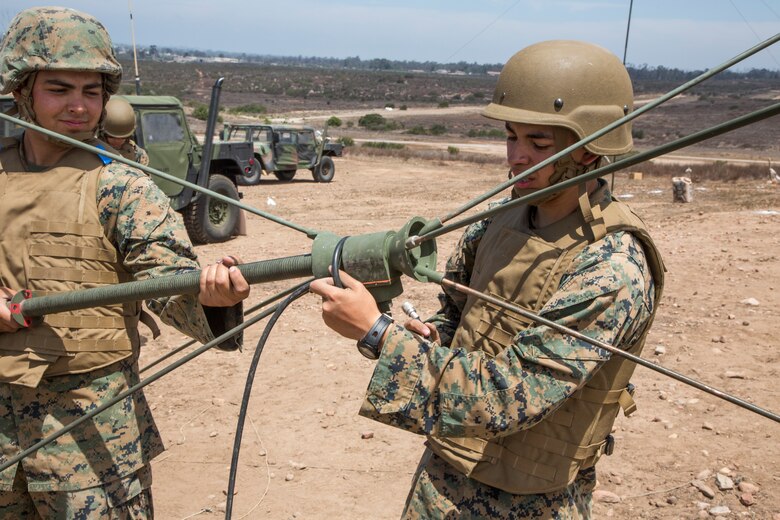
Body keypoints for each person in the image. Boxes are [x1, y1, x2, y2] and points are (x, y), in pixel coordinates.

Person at [311, 40, 665, 519]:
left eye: (539, 144)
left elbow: (513, 395)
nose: (516, 157)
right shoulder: (502, 218)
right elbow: (459, 310)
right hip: (449, 470)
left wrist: (378, 334)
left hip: (529, 500)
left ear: (589, 150)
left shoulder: (613, 265)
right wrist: (432, 334)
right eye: (511, 137)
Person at [0, 6, 250, 518]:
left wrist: (209, 297)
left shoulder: (122, 186)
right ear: (22, 90)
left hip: (89, 444)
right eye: (59, 89)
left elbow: (165, 279)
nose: (78, 107)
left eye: (92, 92)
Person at [100, 96, 149, 166]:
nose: (117, 141)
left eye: (122, 137)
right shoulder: (93, 149)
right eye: (111, 137)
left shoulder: (138, 154)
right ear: (103, 132)